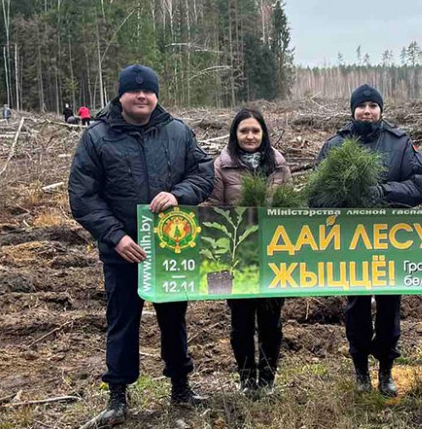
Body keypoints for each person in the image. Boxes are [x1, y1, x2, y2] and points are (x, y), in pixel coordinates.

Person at [69, 64, 215, 427]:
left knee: (174, 320)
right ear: (121, 95)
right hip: (122, 252)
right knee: (121, 321)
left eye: (148, 91)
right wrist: (116, 237)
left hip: (171, 248)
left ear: (156, 95)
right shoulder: (97, 137)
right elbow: (82, 196)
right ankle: (117, 397)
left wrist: (179, 194)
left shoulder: (178, 132)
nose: (141, 96)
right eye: (134, 91)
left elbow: (203, 174)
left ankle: (181, 387)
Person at [316, 84, 422, 397]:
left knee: (389, 304)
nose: (367, 111)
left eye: (372, 105)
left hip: (390, 241)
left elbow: (421, 185)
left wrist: (384, 192)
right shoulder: (336, 145)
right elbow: (317, 194)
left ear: (381, 109)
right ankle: (360, 370)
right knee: (355, 306)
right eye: (361, 106)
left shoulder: (400, 142)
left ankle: (386, 371)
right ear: (352, 110)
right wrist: (344, 195)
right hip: (352, 241)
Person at [207, 108, 292, 397]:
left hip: (273, 255)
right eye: (244, 131)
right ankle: (246, 379)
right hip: (235, 255)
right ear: (235, 134)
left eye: (255, 131)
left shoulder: (278, 164)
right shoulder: (222, 165)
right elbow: (212, 207)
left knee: (271, 322)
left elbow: (289, 206)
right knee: (240, 322)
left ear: (263, 133)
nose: (250, 136)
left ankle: (267, 379)